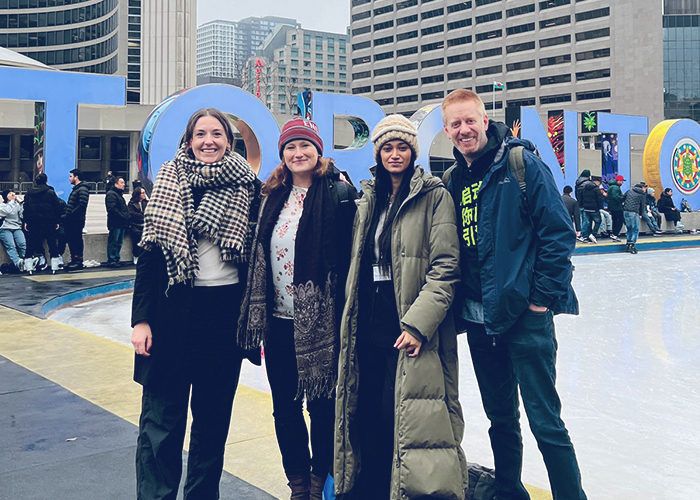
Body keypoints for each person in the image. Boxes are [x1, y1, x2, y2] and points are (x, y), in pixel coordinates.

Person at [440, 89, 586, 500]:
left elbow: (558, 235)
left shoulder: (521, 165)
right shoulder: (452, 180)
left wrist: (539, 299)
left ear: (485, 121)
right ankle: (509, 491)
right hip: (478, 319)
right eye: (456, 124)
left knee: (546, 421)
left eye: (471, 120)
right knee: (500, 417)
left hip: (525, 317)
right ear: (448, 131)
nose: (465, 129)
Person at [333, 114, 466, 500]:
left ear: (413, 151)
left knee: (410, 419)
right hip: (367, 326)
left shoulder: (434, 195)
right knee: (369, 414)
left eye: (402, 147)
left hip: (409, 328)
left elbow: (446, 266)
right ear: (377, 152)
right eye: (387, 147)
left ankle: (409, 491)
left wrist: (418, 325)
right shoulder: (369, 198)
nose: (395, 154)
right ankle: (372, 488)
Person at [131, 108, 261, 499]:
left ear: (229, 141)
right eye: (200, 133)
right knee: (161, 423)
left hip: (223, 320)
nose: (209, 141)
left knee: (212, 425)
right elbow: (150, 256)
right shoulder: (169, 182)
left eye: (217, 134)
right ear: (189, 140)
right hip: (171, 317)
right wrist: (141, 320)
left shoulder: (249, 188)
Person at [238, 117, 358, 500]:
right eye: (290, 147)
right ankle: (299, 485)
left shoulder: (338, 194)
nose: (298, 153)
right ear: (282, 154)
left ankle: (320, 478)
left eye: (305, 146)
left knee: (323, 410)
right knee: (285, 410)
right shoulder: (270, 196)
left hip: (323, 324)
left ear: (318, 152)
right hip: (277, 322)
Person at [23, 173, 62, 273]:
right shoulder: (50, 192)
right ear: (46, 181)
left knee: (30, 243)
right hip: (48, 220)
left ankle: (29, 267)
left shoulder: (29, 193)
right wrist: (57, 221)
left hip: (33, 221)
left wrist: (26, 221)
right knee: (52, 243)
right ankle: (54, 267)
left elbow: (26, 208)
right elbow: (56, 207)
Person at [63, 168, 90, 270]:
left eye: (71, 176)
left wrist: (70, 214)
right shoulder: (77, 189)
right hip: (73, 220)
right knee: (72, 240)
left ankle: (78, 261)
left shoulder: (82, 189)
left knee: (76, 240)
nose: (70, 179)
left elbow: (82, 205)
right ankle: (74, 259)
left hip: (76, 220)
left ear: (76, 177)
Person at [105, 176, 129, 267]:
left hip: (121, 223)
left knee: (119, 242)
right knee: (114, 242)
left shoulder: (118, 194)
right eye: (121, 183)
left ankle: (116, 258)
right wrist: (123, 216)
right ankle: (112, 259)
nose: (124, 185)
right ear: (115, 184)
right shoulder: (112, 194)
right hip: (115, 223)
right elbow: (112, 209)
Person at [0, 190, 26, 271]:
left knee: (22, 243)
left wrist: (21, 204)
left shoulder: (16, 205)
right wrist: (12, 201)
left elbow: (21, 215)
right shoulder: (2, 206)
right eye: (10, 193)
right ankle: (17, 261)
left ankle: (27, 260)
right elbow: (7, 211)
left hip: (17, 227)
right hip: (4, 228)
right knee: (11, 245)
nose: (13, 194)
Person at [622, 183, 647, 254]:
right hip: (634, 212)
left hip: (626, 211)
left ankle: (628, 243)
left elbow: (622, 199)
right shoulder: (641, 194)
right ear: (641, 188)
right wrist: (641, 214)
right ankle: (632, 245)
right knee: (635, 229)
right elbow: (642, 205)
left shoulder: (629, 191)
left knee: (629, 228)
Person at [580, 176, 604, 243]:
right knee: (598, 221)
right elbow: (600, 199)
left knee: (588, 223)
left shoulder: (584, 188)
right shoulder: (596, 189)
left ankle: (588, 236)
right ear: (597, 182)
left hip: (586, 208)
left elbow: (581, 198)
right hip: (594, 209)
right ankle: (593, 234)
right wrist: (600, 207)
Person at [128, 187, 147, 265]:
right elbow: (133, 215)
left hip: (145, 225)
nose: (144, 194)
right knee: (137, 237)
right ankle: (136, 255)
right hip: (135, 225)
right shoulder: (131, 203)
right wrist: (143, 215)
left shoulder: (146, 202)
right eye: (142, 193)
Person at [606, 175, 625, 242]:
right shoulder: (616, 187)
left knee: (615, 220)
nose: (622, 183)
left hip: (611, 206)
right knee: (620, 220)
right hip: (617, 206)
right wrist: (623, 198)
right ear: (619, 181)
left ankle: (614, 234)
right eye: (622, 181)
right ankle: (615, 234)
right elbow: (615, 196)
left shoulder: (610, 186)